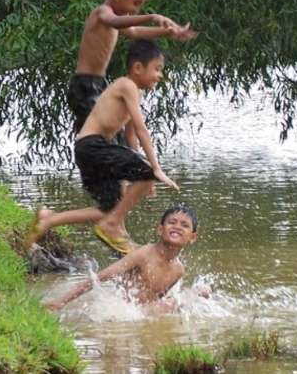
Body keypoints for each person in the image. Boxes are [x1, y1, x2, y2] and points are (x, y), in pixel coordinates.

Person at [26, 40, 179, 254]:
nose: (160, 75)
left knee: (110, 209)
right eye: (157, 69)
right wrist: (155, 170)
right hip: (92, 146)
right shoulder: (126, 85)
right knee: (126, 199)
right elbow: (141, 129)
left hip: (89, 149)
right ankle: (112, 226)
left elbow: (131, 136)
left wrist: (143, 177)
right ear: (138, 67)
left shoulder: (136, 92)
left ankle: (49, 220)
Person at [67, 0, 197, 136]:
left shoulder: (115, 19)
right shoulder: (102, 12)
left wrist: (167, 32)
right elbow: (115, 21)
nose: (136, 10)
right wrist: (151, 17)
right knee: (96, 135)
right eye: (135, 3)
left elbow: (134, 32)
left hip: (98, 84)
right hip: (84, 85)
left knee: (112, 133)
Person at [45, 205, 199, 314]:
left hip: (142, 313)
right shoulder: (143, 254)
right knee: (176, 301)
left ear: (192, 238)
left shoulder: (178, 270)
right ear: (160, 229)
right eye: (172, 222)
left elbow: (158, 297)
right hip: (125, 311)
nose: (177, 227)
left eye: (184, 225)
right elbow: (101, 277)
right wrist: (61, 302)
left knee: (194, 295)